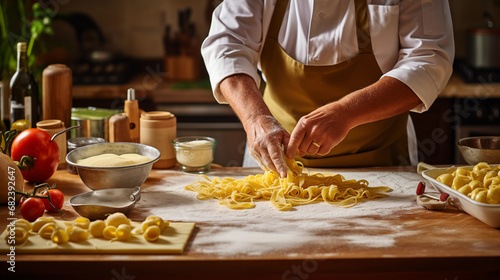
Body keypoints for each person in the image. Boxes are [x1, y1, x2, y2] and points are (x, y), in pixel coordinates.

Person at [201, 0, 454, 178]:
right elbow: (227, 44)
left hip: (382, 163)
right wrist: (256, 118)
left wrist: (347, 112)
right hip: (275, 164)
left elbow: (428, 59)